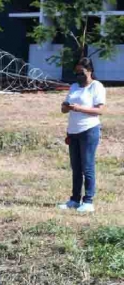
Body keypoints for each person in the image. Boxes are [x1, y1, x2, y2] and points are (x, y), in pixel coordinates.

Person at [58, 57, 106, 213]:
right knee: (76, 168)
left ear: (90, 71)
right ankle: (74, 200)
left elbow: (99, 110)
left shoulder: (96, 87)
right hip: (73, 132)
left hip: (89, 131)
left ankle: (88, 201)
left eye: (82, 72)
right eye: (76, 72)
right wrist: (66, 107)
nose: (79, 76)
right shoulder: (73, 87)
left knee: (87, 167)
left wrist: (79, 108)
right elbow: (64, 110)